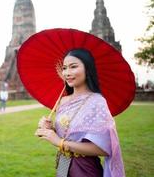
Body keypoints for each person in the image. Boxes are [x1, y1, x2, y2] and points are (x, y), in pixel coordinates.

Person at [35, 49, 125, 177]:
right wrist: (50, 129)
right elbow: (68, 134)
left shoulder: (96, 101)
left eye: (73, 67)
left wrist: (60, 143)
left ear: (87, 69)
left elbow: (104, 148)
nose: (67, 73)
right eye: (65, 68)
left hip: (84, 168)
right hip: (63, 163)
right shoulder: (63, 101)